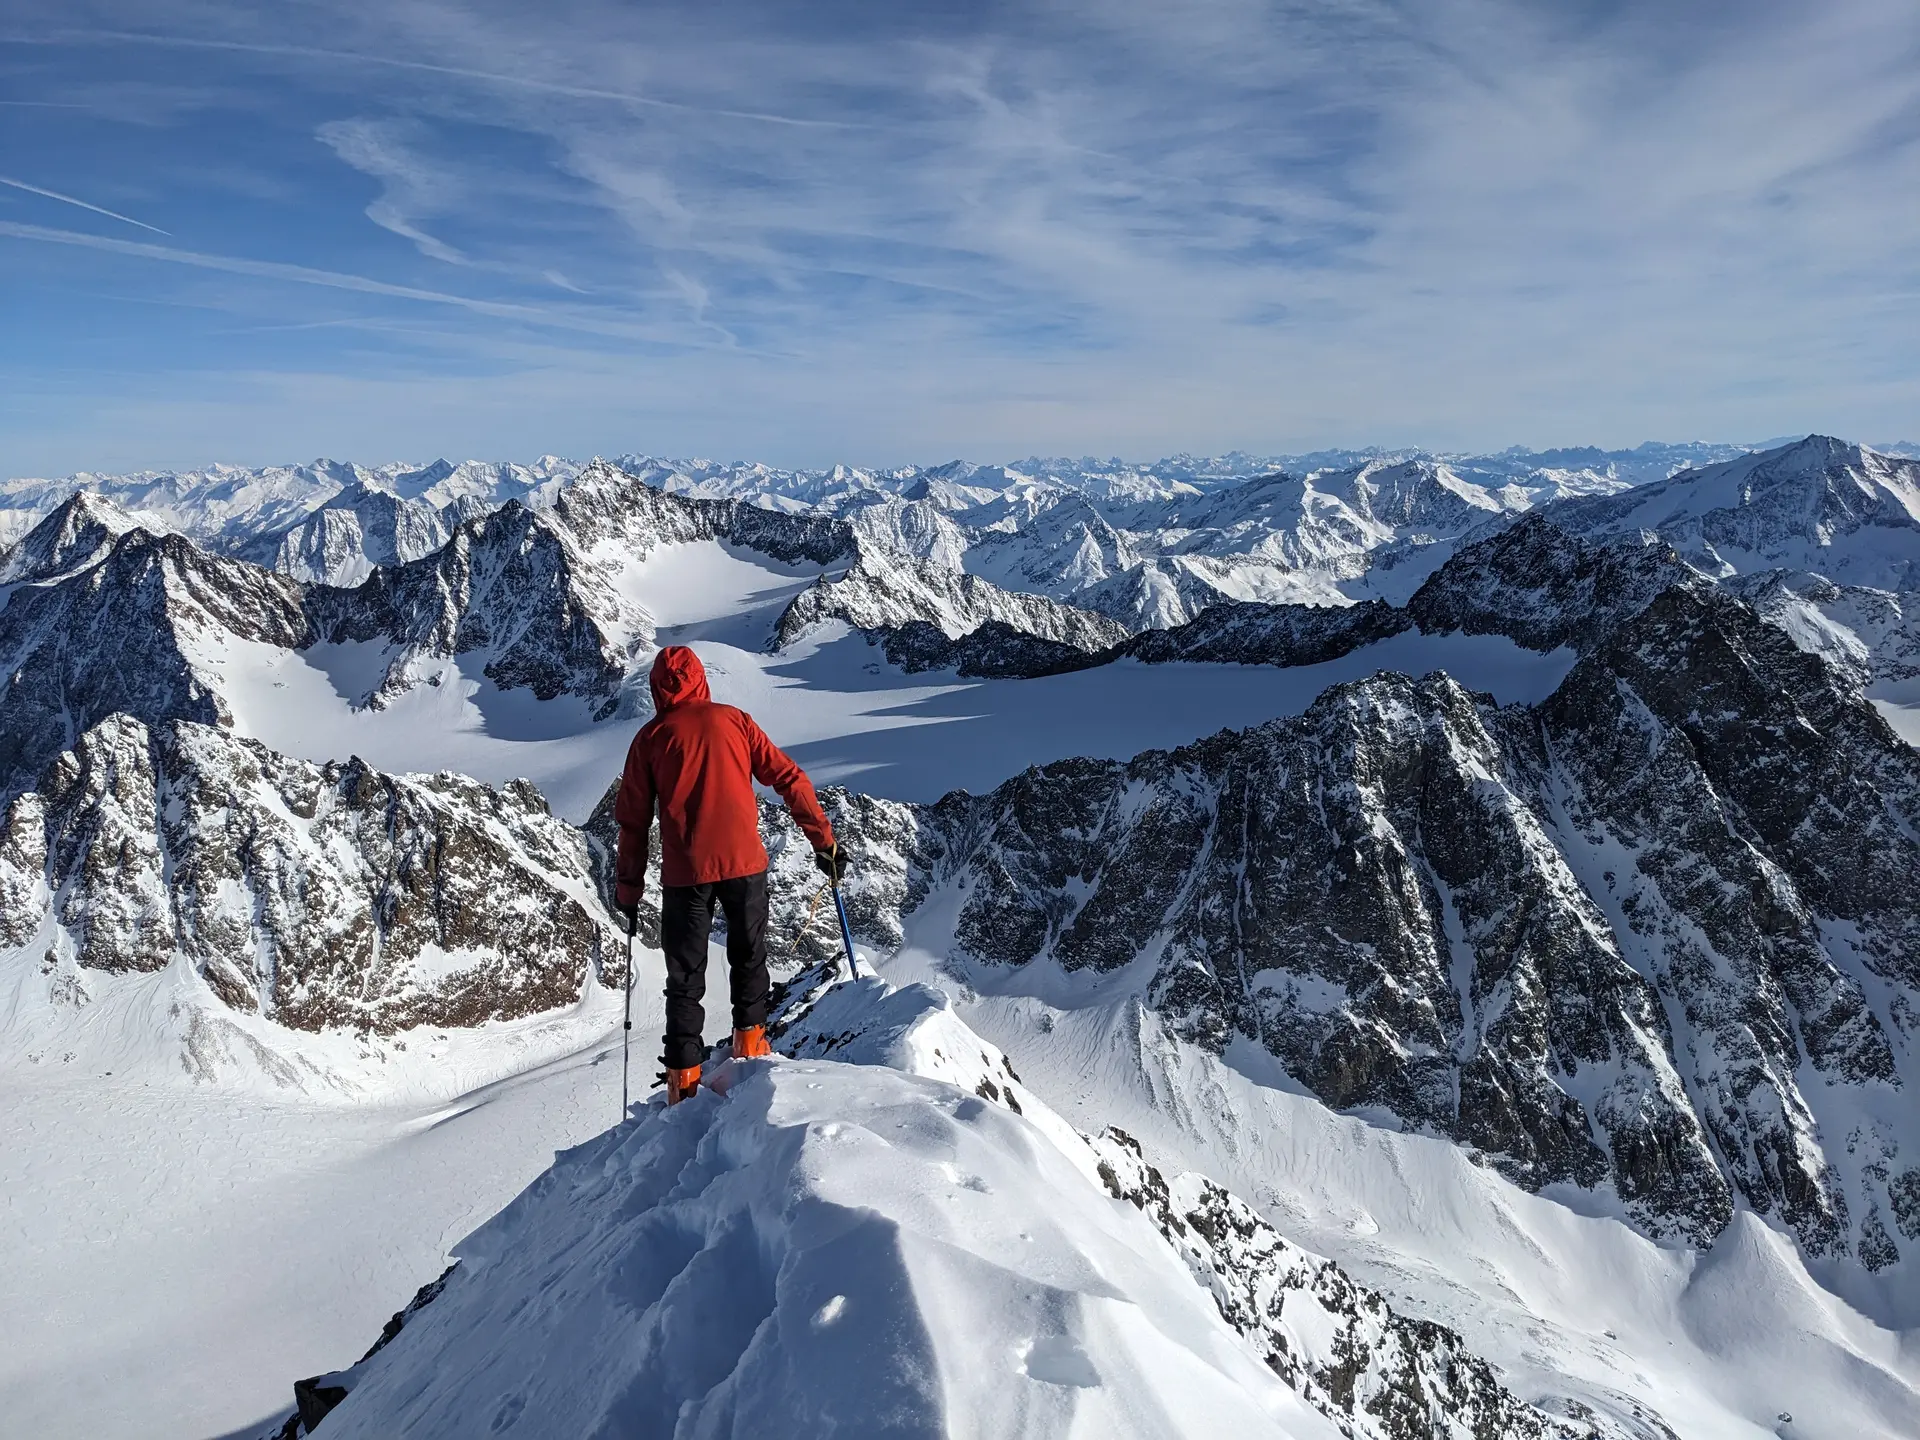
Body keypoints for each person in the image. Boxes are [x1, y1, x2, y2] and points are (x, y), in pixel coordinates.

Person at [614, 645, 840, 1104]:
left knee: (685, 978)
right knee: (749, 956)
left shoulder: (651, 738)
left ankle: (683, 1083)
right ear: (701, 679)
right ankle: (752, 1048)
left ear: (657, 688)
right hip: (745, 863)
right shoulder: (735, 721)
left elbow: (633, 822)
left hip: (686, 874)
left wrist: (629, 887)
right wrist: (824, 842)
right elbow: (788, 778)